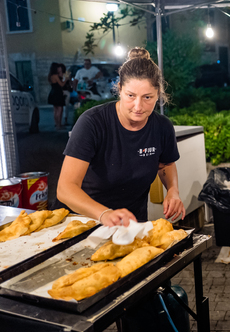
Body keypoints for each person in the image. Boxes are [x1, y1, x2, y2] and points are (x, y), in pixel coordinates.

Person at [56, 47, 185, 225]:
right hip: (84, 220)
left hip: (132, 223)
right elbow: (65, 188)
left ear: (158, 95)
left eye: (147, 97)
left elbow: (165, 164)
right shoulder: (92, 123)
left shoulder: (162, 127)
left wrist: (172, 190)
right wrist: (104, 214)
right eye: (130, 96)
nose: (138, 106)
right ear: (119, 89)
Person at [47, 62, 67, 130]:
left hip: (53, 92)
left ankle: (56, 124)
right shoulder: (55, 76)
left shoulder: (50, 76)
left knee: (55, 110)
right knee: (60, 110)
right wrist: (65, 80)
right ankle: (59, 125)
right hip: (58, 93)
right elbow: (61, 84)